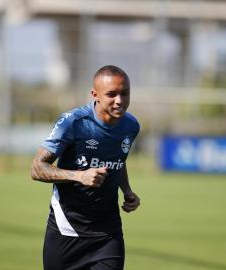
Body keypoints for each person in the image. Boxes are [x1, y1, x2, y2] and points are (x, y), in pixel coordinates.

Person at [31, 65, 141, 270]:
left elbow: (118, 158)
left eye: (125, 93)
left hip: (108, 233)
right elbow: (37, 168)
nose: (120, 100)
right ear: (95, 95)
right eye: (111, 94)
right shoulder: (73, 122)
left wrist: (126, 190)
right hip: (67, 230)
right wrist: (78, 176)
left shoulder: (131, 125)